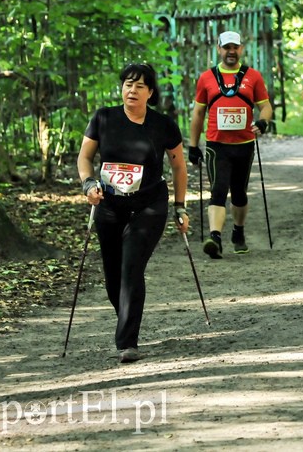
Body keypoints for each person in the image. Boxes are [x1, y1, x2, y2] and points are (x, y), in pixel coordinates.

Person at [77, 63, 189, 364]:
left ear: (150, 92)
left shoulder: (163, 125)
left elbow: (179, 166)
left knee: (131, 267)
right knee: (113, 276)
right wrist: (89, 184)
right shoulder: (104, 117)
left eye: (140, 86)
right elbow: (85, 157)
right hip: (110, 205)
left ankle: (128, 341)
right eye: (128, 84)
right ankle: (126, 319)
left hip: (149, 205)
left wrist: (180, 207)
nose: (132, 90)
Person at [189, 31, 274, 258]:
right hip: (217, 144)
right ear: (219, 49)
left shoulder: (253, 76)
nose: (231, 52)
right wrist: (193, 145)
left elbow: (265, 106)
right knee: (218, 190)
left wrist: (263, 122)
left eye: (235, 47)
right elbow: (198, 113)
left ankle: (238, 232)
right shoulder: (207, 78)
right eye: (226, 47)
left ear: (241, 49)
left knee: (239, 193)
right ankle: (214, 237)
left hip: (244, 143)